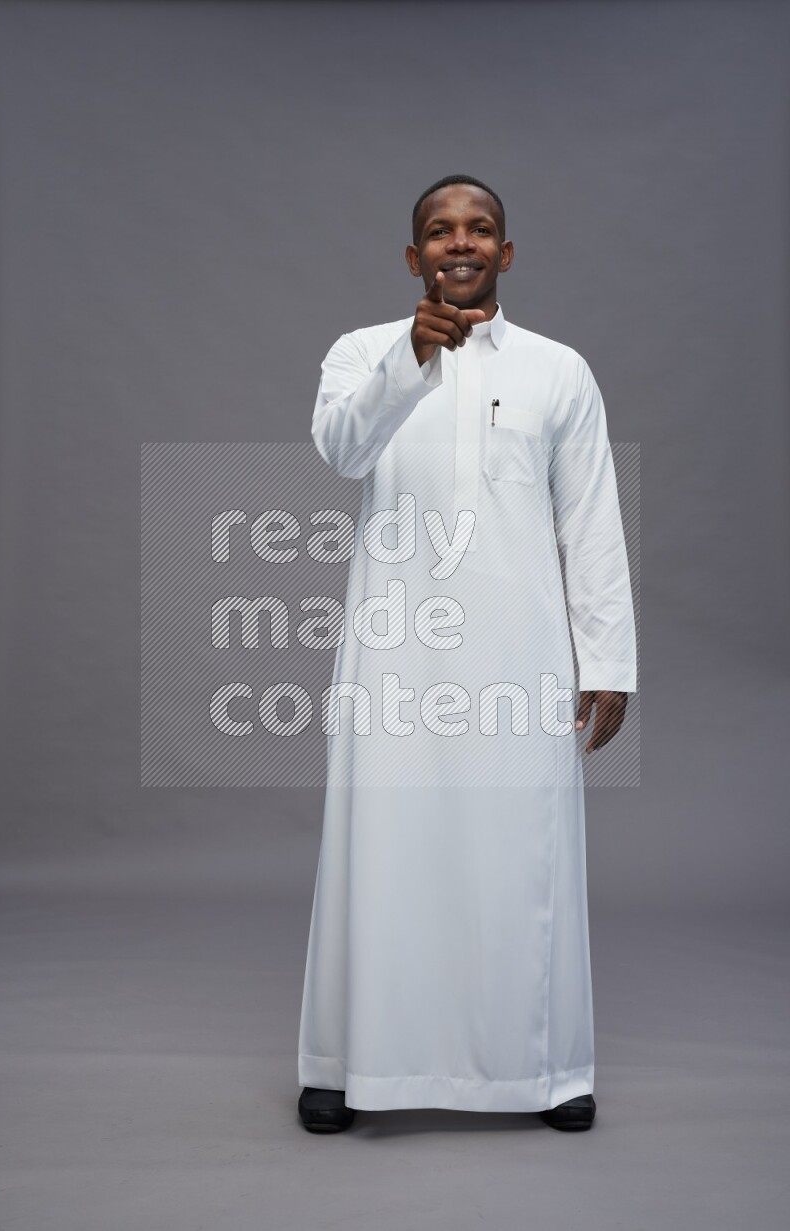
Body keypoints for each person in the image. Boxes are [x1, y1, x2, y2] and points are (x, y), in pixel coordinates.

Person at [296, 175, 637, 1133]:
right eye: (440, 231)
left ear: (506, 253)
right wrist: (410, 357)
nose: (461, 242)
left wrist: (607, 657)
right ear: (413, 258)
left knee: (523, 854)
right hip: (396, 653)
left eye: (480, 228)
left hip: (520, 655)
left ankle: (546, 1067)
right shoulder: (361, 353)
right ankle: (342, 1060)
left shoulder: (558, 370)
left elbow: (592, 521)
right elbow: (342, 450)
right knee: (379, 848)